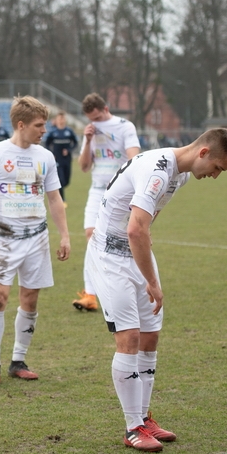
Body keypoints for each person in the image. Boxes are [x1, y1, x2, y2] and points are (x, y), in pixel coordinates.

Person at [86, 128, 227, 452]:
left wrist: (147, 267)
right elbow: (135, 228)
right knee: (128, 338)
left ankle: (144, 417)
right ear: (203, 153)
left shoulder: (180, 174)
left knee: (150, 335)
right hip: (109, 256)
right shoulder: (158, 169)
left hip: (134, 252)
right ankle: (132, 428)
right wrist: (153, 283)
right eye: (217, 168)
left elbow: (145, 222)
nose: (215, 176)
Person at [0, 96, 70, 386]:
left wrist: (64, 235)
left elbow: (54, 198)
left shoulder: (45, 156)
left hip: (37, 238)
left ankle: (18, 360)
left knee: (29, 299)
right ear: (21, 124)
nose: (44, 130)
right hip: (3, 238)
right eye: (39, 125)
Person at [72, 93, 141, 312]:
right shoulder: (90, 130)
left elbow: (134, 159)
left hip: (120, 193)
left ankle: (131, 287)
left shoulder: (125, 126)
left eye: (98, 118)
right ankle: (90, 294)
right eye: (91, 119)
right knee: (91, 235)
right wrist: (89, 140)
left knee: (123, 240)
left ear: (106, 109)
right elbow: (84, 167)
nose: (96, 123)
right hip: (97, 190)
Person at [42, 111, 79, 203]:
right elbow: (46, 144)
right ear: (57, 120)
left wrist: (69, 150)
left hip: (67, 160)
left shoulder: (69, 132)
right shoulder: (53, 132)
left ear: (65, 120)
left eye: (62, 118)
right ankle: (62, 200)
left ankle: (61, 197)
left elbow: (75, 143)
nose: (61, 120)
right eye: (59, 118)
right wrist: (51, 153)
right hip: (57, 160)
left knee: (66, 181)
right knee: (61, 180)